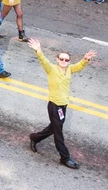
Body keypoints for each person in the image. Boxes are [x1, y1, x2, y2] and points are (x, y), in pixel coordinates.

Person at [27, 39, 96, 169]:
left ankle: (34, 138)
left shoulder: (69, 69)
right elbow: (43, 60)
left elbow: (79, 66)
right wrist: (38, 50)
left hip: (63, 107)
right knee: (58, 133)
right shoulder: (51, 69)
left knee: (53, 128)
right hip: (54, 106)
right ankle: (65, 158)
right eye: (62, 59)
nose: (64, 61)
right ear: (57, 59)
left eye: (66, 60)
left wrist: (85, 59)